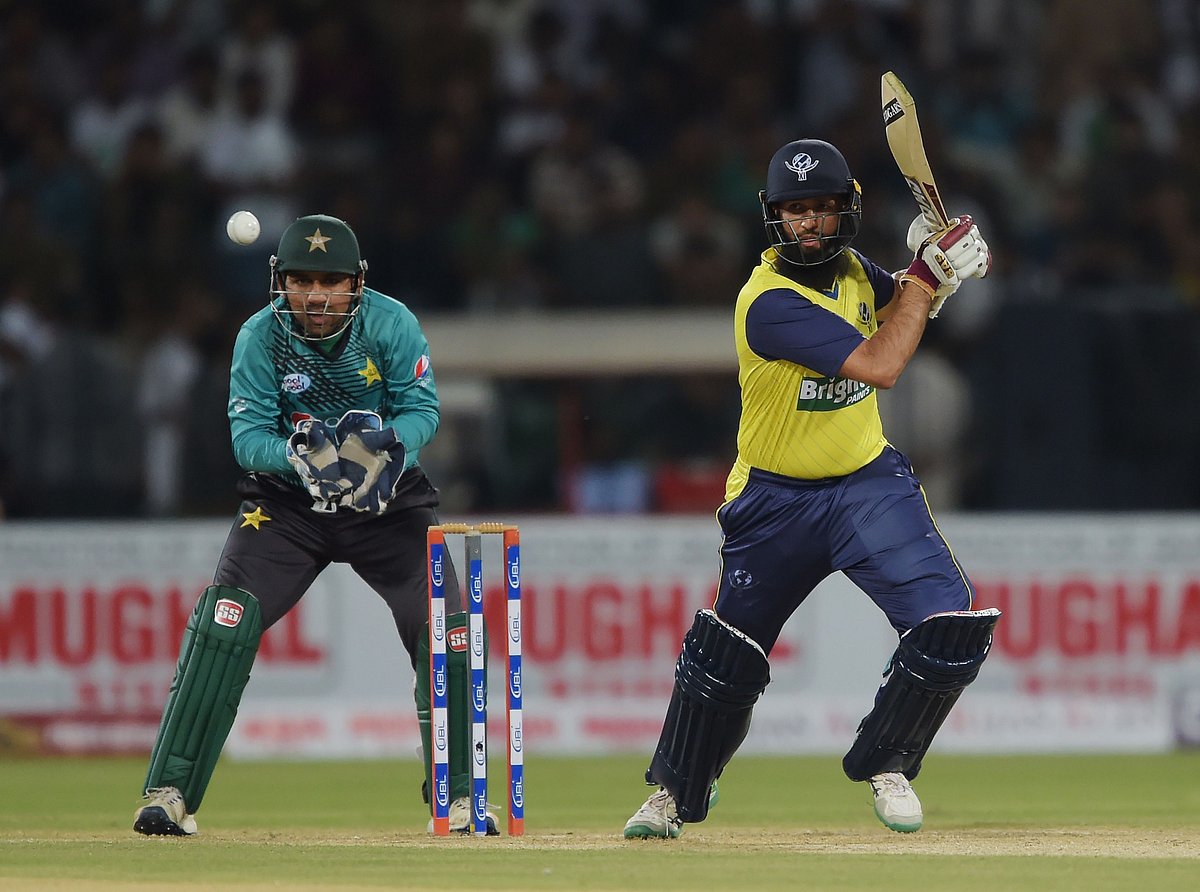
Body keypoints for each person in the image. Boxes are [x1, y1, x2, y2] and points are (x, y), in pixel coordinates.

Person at [622, 139, 1001, 840]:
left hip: (865, 483)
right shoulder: (767, 303)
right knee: (725, 661)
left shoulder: (856, 270)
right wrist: (926, 276)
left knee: (950, 627)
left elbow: (900, 310)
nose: (810, 226)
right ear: (773, 218)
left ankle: (888, 763)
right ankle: (671, 795)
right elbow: (883, 362)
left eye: (824, 211)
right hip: (774, 499)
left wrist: (937, 275)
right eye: (796, 212)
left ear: (847, 214)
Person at [132, 214, 493, 836]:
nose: (316, 296)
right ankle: (171, 791)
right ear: (280, 282)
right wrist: (299, 460)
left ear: (357, 283)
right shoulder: (258, 337)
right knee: (227, 619)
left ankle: (459, 794)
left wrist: (384, 451)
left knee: (445, 624)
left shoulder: (391, 323)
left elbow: (421, 410)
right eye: (301, 281)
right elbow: (248, 438)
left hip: (385, 501)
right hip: (288, 507)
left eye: (330, 281)